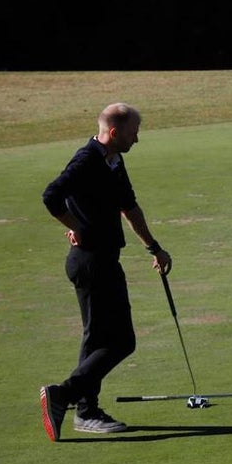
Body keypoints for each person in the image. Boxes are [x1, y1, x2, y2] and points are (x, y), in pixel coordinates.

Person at [38, 103, 172, 441]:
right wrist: (75, 226)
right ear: (114, 133)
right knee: (118, 341)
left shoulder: (113, 161)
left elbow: (129, 206)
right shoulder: (87, 160)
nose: (137, 139)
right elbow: (52, 195)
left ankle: (84, 408)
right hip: (89, 261)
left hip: (104, 260)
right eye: (133, 133)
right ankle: (71, 400)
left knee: (100, 339)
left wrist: (153, 247)